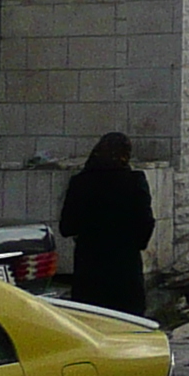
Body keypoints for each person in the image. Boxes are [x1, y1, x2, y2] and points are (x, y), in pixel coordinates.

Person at [58, 132, 157, 319]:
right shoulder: (134, 181)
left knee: (91, 321)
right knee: (127, 323)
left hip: (90, 268)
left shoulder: (81, 182)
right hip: (125, 267)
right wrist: (134, 244)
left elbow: (67, 226)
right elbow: (146, 221)